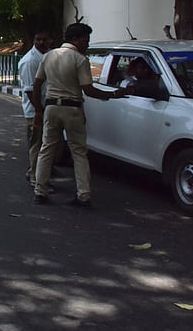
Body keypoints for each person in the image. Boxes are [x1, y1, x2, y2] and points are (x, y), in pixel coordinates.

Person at [32, 23, 126, 207]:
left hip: (51, 107)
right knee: (79, 152)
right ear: (75, 39)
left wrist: (38, 109)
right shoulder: (80, 59)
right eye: (85, 40)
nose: (87, 44)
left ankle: (39, 191)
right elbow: (89, 90)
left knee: (46, 149)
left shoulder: (49, 55)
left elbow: (36, 84)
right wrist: (114, 94)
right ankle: (83, 194)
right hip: (72, 108)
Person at [17, 30, 52, 187]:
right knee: (36, 143)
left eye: (45, 39)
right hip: (35, 109)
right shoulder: (30, 61)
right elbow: (30, 91)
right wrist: (39, 111)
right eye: (38, 39)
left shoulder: (49, 55)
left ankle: (41, 171)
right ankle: (34, 176)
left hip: (47, 107)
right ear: (33, 40)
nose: (42, 43)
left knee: (46, 143)